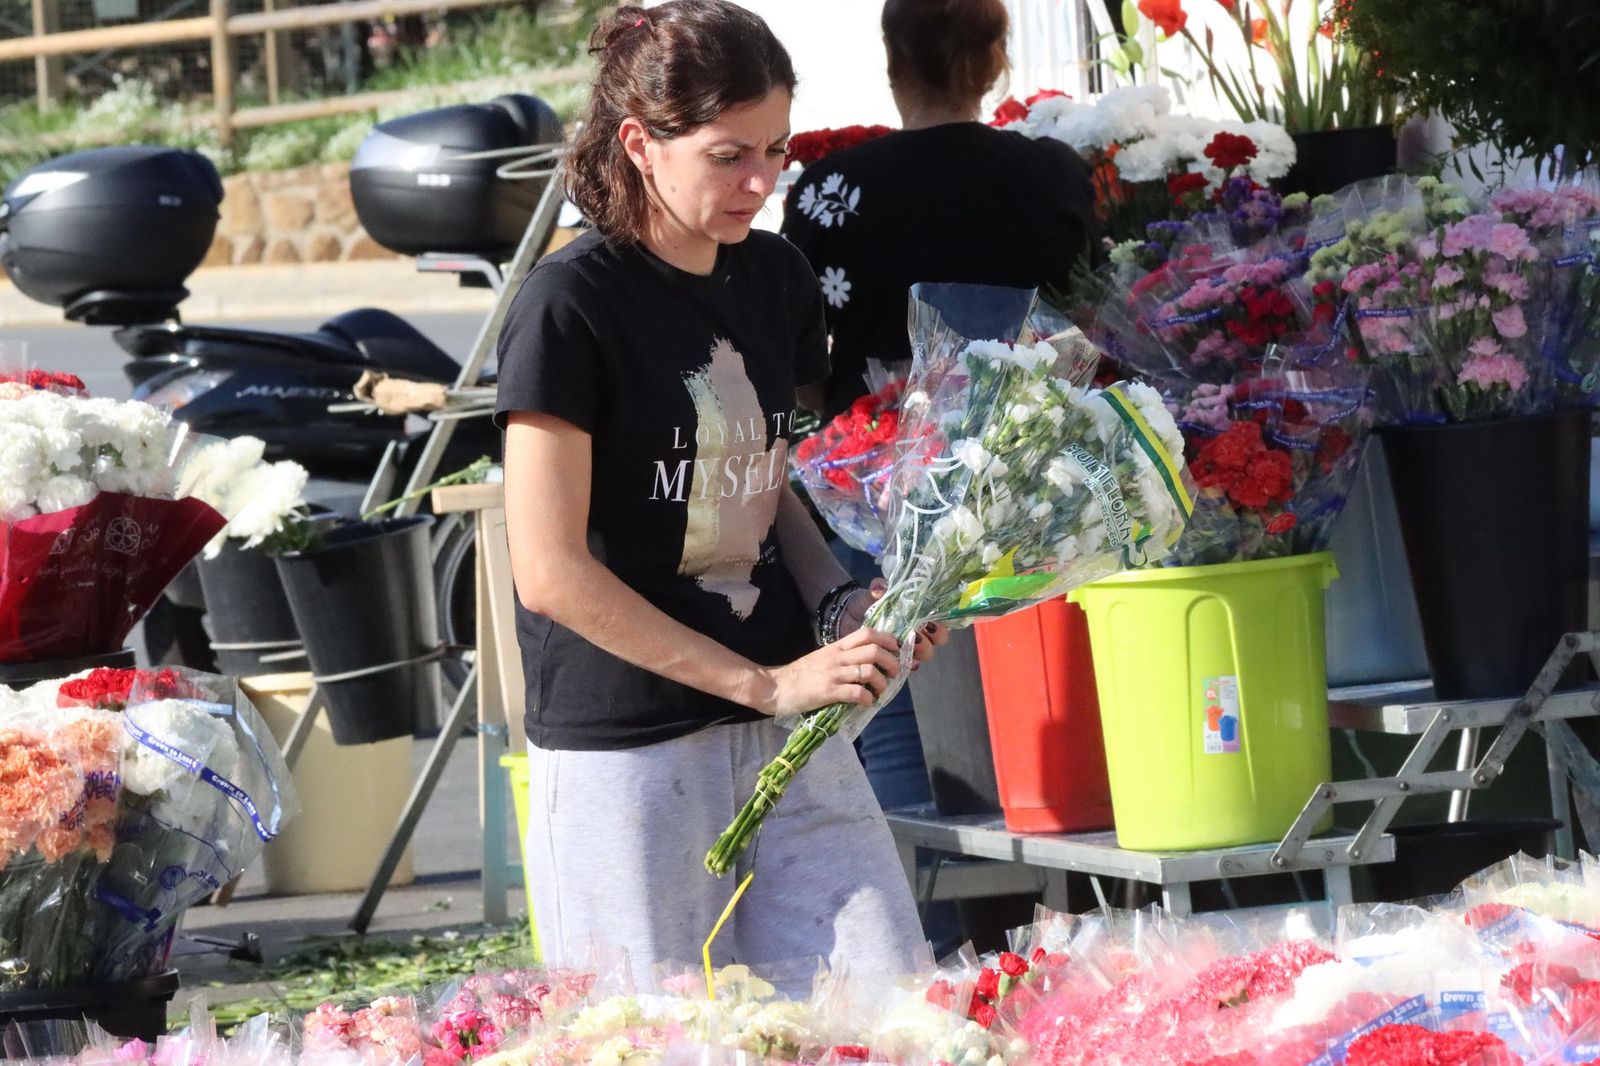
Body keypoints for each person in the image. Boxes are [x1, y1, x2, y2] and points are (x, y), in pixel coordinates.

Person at [494, 0, 949, 981]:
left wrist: (841, 605)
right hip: (630, 747)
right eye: (728, 155)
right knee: (650, 1036)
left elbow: (760, 479)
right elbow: (549, 571)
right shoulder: (569, 305)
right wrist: (765, 683)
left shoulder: (776, 277)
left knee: (891, 1004)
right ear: (640, 145)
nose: (760, 182)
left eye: (775, 150)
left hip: (785, 725)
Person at [779, 0, 1096, 952]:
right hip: (1035, 487)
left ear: (892, 59)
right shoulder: (1051, 175)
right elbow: (1088, 324)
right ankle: (1048, 934)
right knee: (1041, 720)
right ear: (995, 59)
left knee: (889, 711)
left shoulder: (834, 190)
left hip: (871, 490)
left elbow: (801, 363)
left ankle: (928, 940)